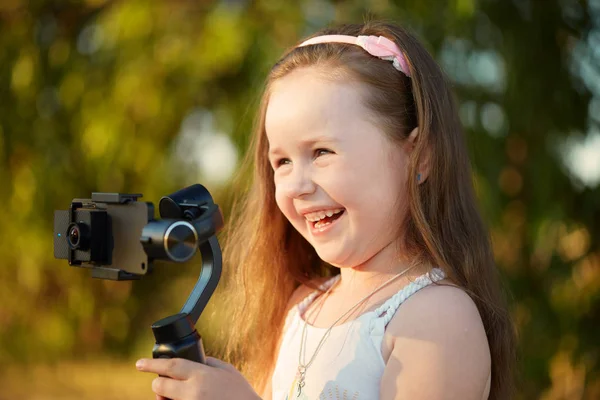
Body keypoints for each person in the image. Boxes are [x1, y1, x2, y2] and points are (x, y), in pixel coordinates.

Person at [135, 21, 516, 400]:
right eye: (281, 162)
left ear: (419, 156)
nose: (297, 186)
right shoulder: (302, 307)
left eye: (321, 153)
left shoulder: (437, 319)